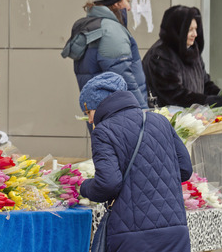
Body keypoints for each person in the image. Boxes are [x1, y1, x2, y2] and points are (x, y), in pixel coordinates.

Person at [78, 72, 192, 252]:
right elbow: (185, 169)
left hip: (133, 237)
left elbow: (108, 184)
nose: (90, 119)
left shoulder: (103, 131)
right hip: (176, 233)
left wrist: (83, 187)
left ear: (99, 104)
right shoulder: (160, 121)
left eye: (88, 111)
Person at [73, 0, 148, 109]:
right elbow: (124, 78)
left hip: (102, 113)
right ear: (116, 3)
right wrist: (143, 112)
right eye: (127, 0)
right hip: (121, 117)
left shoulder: (92, 27)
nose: (129, 8)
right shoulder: (111, 31)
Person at [143, 5, 222, 108]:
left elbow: (205, 84)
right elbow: (173, 95)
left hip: (193, 116)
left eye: (195, 29)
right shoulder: (161, 55)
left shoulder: (192, 50)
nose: (195, 34)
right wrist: (207, 101)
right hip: (169, 119)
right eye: (190, 30)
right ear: (177, 30)